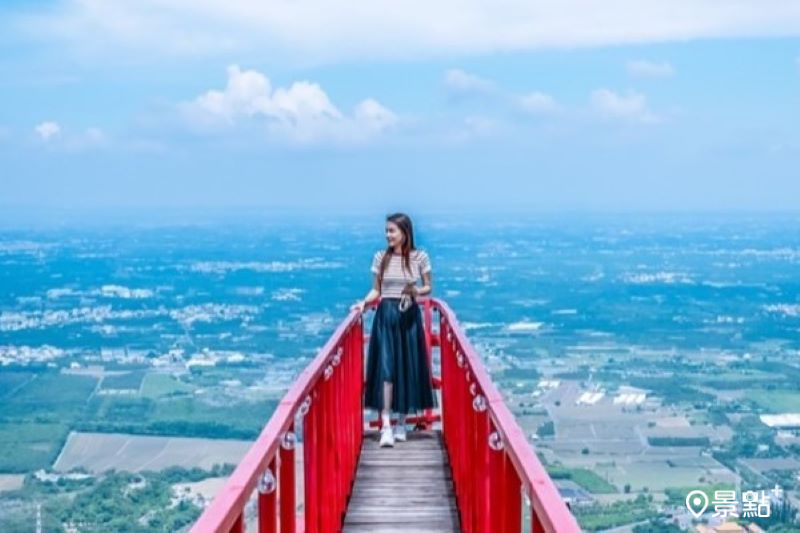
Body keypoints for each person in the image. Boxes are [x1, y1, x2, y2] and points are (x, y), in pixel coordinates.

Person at [351, 212, 437, 447]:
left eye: (392, 230)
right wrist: (363, 303)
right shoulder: (381, 257)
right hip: (386, 315)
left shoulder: (420, 257)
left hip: (408, 314)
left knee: (406, 367)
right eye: (386, 231)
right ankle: (386, 425)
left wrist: (415, 291)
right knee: (387, 371)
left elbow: (428, 287)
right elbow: (376, 290)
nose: (387, 235)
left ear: (404, 232)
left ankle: (401, 422)